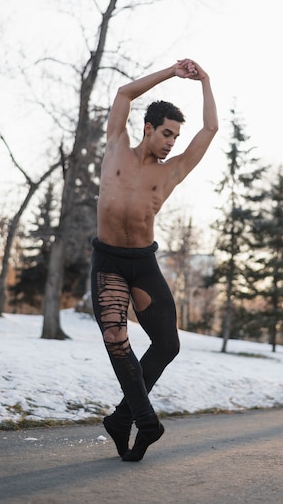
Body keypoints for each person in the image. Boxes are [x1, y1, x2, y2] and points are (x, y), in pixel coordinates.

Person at [90, 58, 218, 462]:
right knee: (116, 338)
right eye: (166, 133)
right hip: (108, 261)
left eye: (176, 137)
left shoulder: (172, 171)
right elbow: (124, 94)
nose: (171, 142)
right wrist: (171, 72)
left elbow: (210, 129)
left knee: (167, 343)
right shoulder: (114, 148)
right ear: (148, 128)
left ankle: (122, 418)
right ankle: (146, 420)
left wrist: (206, 82)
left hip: (142, 263)